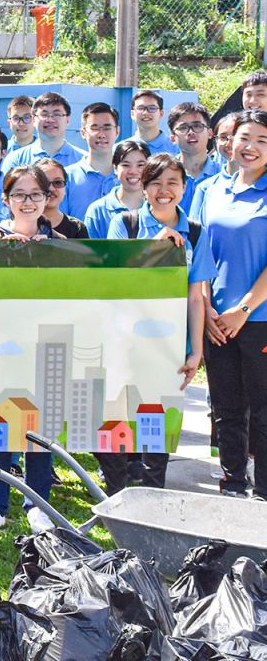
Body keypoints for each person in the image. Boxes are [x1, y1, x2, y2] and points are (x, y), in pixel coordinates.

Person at [99, 154, 209, 493]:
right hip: (123, 342)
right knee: (116, 418)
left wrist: (196, 351)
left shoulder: (194, 231)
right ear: (144, 188)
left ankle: (152, 498)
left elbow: (195, 295)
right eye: (156, 183)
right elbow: (116, 282)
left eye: (172, 183)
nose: (164, 191)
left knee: (156, 423)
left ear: (183, 187)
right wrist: (152, 248)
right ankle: (116, 497)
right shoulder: (126, 224)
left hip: (169, 345)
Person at [0, 165, 61, 534]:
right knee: (0, 421)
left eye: (35, 195)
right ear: (6, 200)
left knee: (40, 424)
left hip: (44, 342)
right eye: (20, 195)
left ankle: (37, 501)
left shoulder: (62, 243)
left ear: (47, 199)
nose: (28, 202)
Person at [190, 108, 267, 499]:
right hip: (216, 319)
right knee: (226, 408)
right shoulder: (211, 189)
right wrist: (206, 310)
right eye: (244, 137)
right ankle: (233, 481)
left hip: (258, 319)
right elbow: (199, 255)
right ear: (230, 141)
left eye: (262, 140)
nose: (251, 147)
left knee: (263, 410)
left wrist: (243, 310)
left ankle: (264, 491)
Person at [2, 92, 86, 173]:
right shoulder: (15, 160)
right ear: (34, 119)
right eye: (44, 114)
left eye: (57, 114)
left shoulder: (83, 160)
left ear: (67, 120)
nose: (50, 120)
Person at [64, 103, 121, 220]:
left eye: (107, 128)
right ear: (83, 133)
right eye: (94, 128)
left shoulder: (129, 175)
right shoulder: (67, 177)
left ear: (117, 131)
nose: (101, 134)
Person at [84, 140, 150, 238]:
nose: (133, 171)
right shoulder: (98, 210)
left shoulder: (157, 206)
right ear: (115, 168)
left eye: (140, 165)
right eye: (126, 165)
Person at [168, 103, 219, 212]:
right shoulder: (163, 174)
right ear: (173, 138)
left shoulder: (223, 175)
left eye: (197, 126)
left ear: (210, 133)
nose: (191, 132)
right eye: (183, 128)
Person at [33, 158, 89, 239]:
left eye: (58, 182)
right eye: (44, 183)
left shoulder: (77, 228)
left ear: (65, 188)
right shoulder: (22, 226)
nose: (51, 189)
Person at [130, 90, 180, 156]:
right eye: (140, 108)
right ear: (132, 114)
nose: (146, 113)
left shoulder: (177, 149)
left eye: (152, 108)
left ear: (161, 113)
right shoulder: (120, 148)